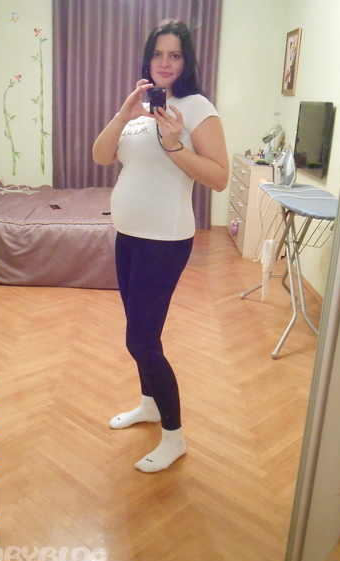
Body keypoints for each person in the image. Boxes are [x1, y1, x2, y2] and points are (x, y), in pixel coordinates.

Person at [92, 20, 229, 473]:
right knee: (139, 330)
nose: (165, 63)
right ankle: (149, 405)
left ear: (187, 61)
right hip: (128, 236)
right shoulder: (141, 108)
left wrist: (174, 146)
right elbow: (101, 156)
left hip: (164, 241)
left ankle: (174, 436)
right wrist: (124, 112)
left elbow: (219, 176)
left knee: (141, 339)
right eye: (158, 54)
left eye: (175, 55)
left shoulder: (197, 107)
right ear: (148, 58)